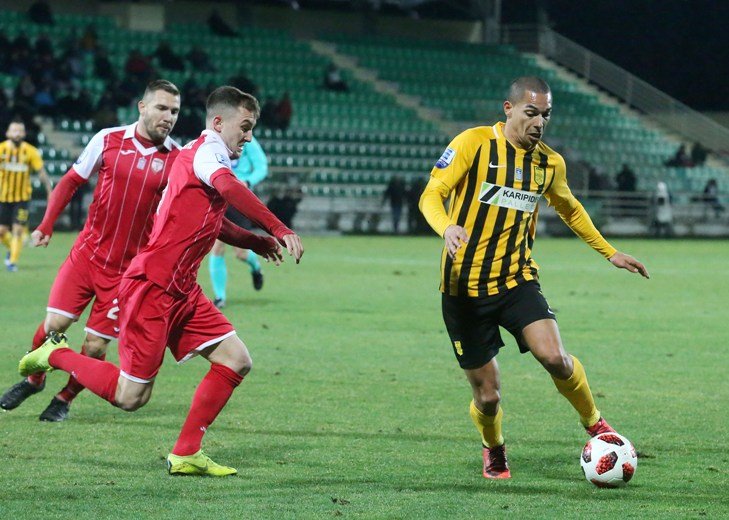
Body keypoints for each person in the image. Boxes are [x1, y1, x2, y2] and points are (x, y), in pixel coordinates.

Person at [19, 86, 304, 477]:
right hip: (152, 286)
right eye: (245, 126)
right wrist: (277, 227)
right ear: (218, 122)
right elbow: (229, 188)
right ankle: (54, 355)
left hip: (182, 288)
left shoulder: (200, 155)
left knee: (236, 360)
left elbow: (211, 220)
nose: (250, 136)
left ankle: (186, 453)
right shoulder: (207, 152)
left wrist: (252, 241)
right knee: (131, 397)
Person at [418, 76, 649, 480]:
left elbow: (570, 208)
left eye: (546, 115)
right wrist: (447, 227)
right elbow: (431, 195)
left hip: (516, 280)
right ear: (508, 109)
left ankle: (595, 423)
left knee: (556, 358)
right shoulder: (473, 144)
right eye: (531, 113)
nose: (540, 123)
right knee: (488, 397)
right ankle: (493, 447)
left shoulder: (549, 163)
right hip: (463, 290)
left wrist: (609, 252)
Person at [0, 80, 182, 421]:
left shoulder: (177, 159)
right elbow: (71, 180)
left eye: (174, 111)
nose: (168, 116)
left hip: (127, 274)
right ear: (142, 107)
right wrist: (47, 224)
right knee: (54, 324)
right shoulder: (109, 139)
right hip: (87, 256)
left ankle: (64, 398)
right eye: (161, 108)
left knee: (96, 346)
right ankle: (34, 379)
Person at [208, 135, 269, 308]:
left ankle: (256, 268)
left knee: (240, 253)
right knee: (217, 247)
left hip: (240, 198)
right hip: (220, 196)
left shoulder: (248, 141)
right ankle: (220, 297)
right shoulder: (215, 140)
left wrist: (248, 181)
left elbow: (262, 167)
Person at [0, 119, 52, 272]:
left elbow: (41, 172)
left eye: (20, 131)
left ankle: (12, 262)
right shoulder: (1, 149)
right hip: (2, 197)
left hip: (22, 199)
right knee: (2, 232)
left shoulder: (30, 151)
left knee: (17, 230)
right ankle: (13, 248)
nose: (17, 133)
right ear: (7, 133)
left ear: (24, 134)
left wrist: (50, 191)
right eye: (14, 130)